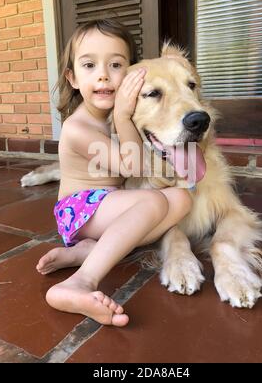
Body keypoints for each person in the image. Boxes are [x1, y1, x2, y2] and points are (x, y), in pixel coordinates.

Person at [36, 19, 193, 327]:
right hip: (78, 208)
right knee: (153, 203)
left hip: (108, 205)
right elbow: (131, 165)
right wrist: (122, 112)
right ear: (72, 78)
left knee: (181, 199)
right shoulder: (77, 127)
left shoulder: (116, 117)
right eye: (90, 65)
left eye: (116, 64)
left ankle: (88, 252)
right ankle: (80, 281)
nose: (104, 74)